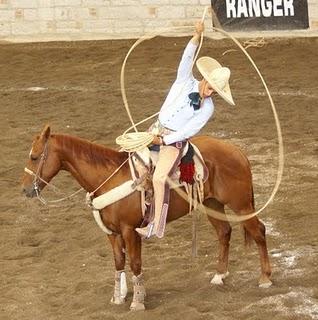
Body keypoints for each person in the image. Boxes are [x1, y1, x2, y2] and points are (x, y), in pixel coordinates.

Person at [135, 21, 235, 239]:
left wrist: (164, 142)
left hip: (172, 141)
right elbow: (186, 59)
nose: (209, 93)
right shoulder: (184, 80)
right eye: (210, 88)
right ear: (205, 79)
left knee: (160, 177)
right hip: (155, 128)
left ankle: (156, 226)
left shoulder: (207, 108)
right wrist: (195, 37)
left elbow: (188, 131)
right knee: (132, 159)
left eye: (214, 92)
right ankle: (143, 199)